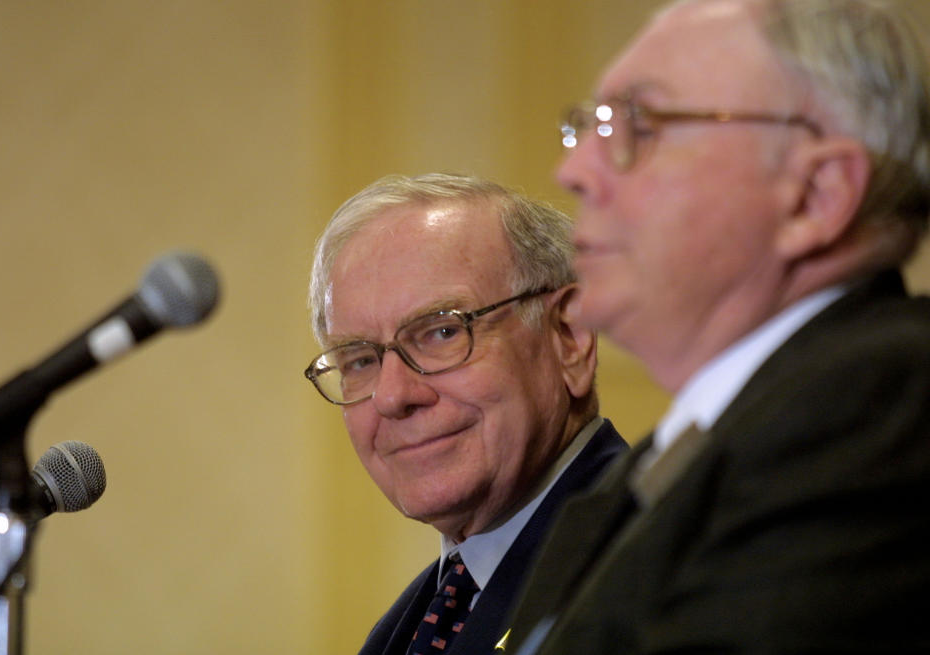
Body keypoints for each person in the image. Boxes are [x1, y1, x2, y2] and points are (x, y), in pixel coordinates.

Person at [504, 0, 930, 653]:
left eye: (640, 125)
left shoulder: (877, 404)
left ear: (817, 193)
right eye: (589, 125)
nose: (574, 171)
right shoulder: (676, 452)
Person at [304, 173, 628, 655]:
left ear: (570, 338)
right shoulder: (401, 632)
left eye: (441, 333)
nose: (392, 397)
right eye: (361, 360)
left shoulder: (654, 568)